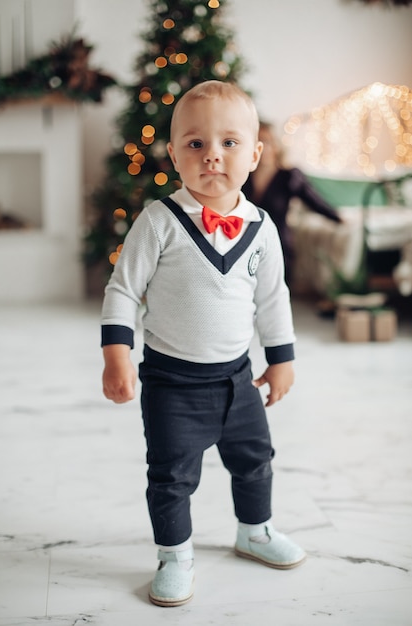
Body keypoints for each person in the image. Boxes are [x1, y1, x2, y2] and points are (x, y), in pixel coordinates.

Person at [101, 81, 306, 608]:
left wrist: (280, 358)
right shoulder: (159, 221)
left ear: (256, 154)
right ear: (173, 154)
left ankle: (254, 530)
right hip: (172, 383)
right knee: (171, 476)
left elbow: (272, 298)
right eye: (195, 144)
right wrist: (117, 355)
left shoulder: (261, 228)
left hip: (237, 379)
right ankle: (174, 554)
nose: (212, 154)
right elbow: (123, 290)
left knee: (256, 458)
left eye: (230, 143)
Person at [243, 121, 343, 285]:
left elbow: (314, 200)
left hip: (278, 244)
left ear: (276, 145)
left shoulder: (289, 176)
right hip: (246, 244)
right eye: (257, 140)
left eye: (267, 140)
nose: (262, 146)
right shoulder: (242, 177)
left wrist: (338, 217)